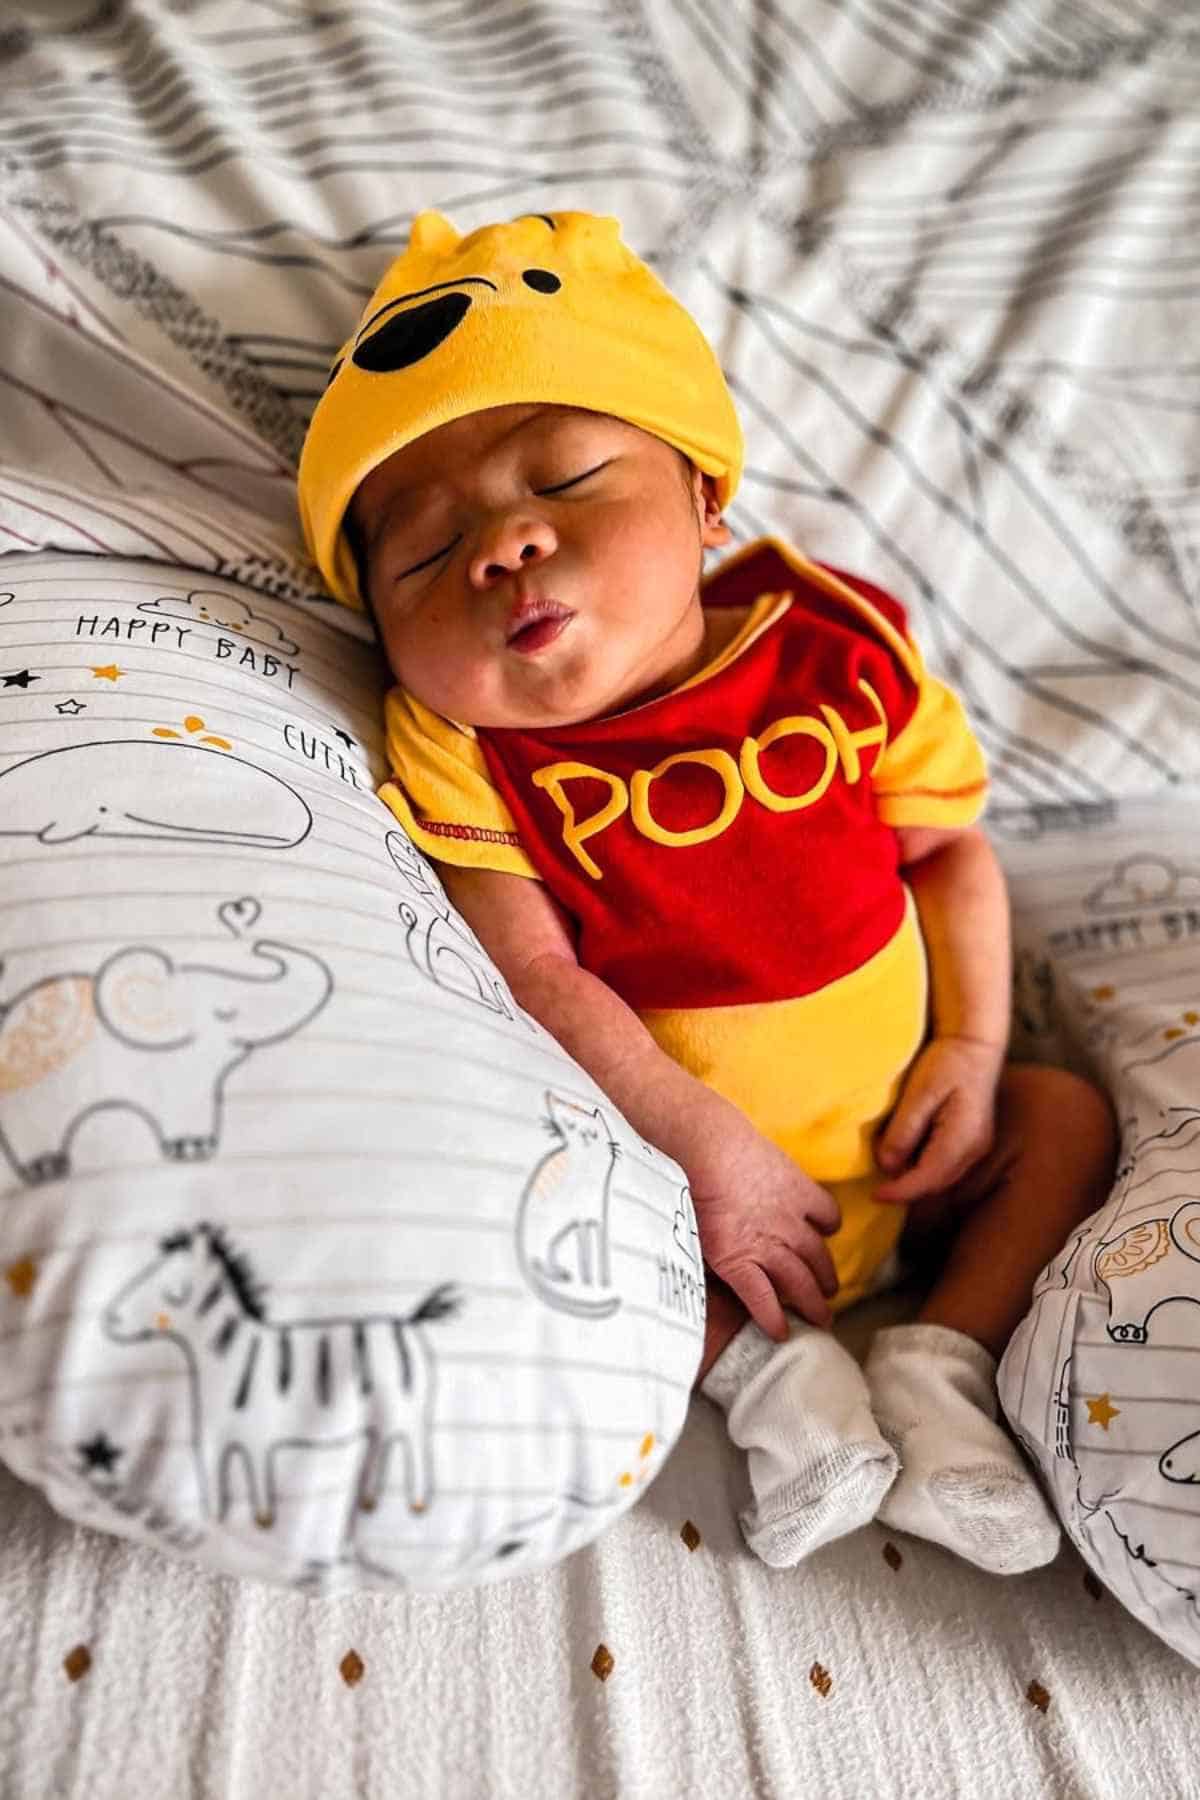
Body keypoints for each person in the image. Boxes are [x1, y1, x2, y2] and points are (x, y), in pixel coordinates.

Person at [297, 208, 1116, 1574]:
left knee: (1060, 1114)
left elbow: (951, 850)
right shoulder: (466, 747)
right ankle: (778, 1388)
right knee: (553, 1218)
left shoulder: (835, 641)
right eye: (428, 554)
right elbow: (537, 977)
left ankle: (940, 1361)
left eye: (562, 479)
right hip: (678, 1185)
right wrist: (697, 1144)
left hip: (919, 1148)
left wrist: (972, 1052)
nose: (502, 549)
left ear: (704, 498)